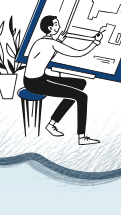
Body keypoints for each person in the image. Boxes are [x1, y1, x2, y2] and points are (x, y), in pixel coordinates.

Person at [24, 15, 104, 145]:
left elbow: (49, 53)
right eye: (56, 24)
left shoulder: (43, 41)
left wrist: (59, 40)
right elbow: (78, 53)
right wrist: (95, 43)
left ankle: (51, 124)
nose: (59, 26)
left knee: (80, 83)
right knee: (82, 97)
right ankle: (82, 137)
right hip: (35, 83)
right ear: (50, 28)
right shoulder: (50, 43)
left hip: (38, 78)